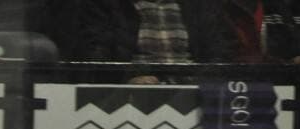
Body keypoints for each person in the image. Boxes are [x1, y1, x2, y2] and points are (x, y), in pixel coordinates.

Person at [75, 0, 237, 83]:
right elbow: (96, 55)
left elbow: (220, 53)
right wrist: (126, 80)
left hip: (194, 93)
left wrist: (200, 82)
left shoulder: (200, 6)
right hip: (130, 97)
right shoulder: (106, 5)